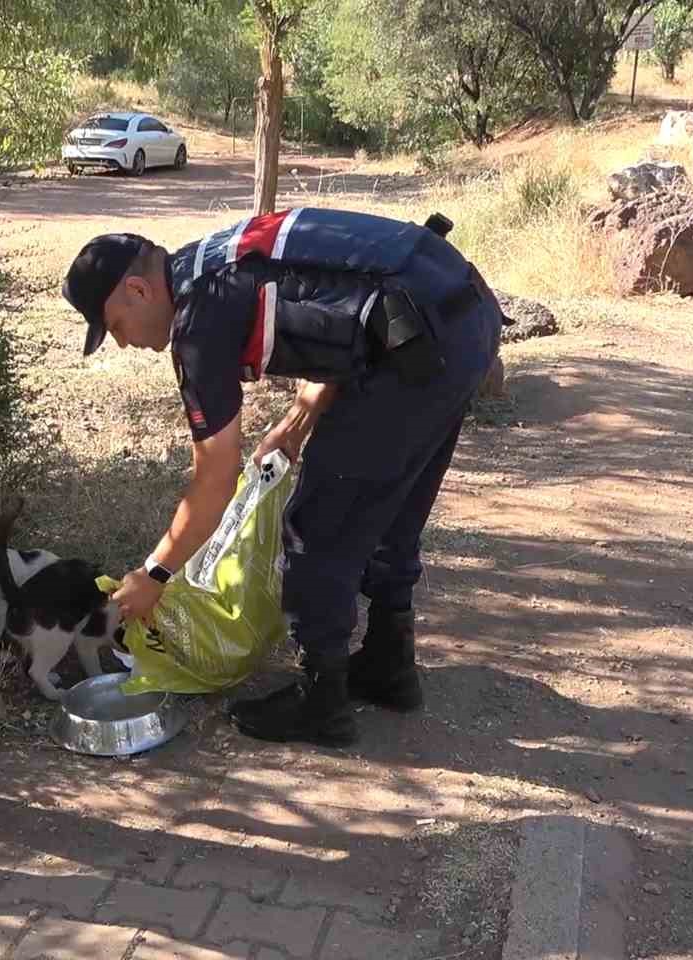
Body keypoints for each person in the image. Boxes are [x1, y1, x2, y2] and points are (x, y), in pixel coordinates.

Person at [60, 208, 501, 747]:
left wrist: (154, 575)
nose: (124, 343)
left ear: (137, 290)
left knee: (316, 523)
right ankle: (389, 663)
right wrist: (297, 422)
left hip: (421, 338)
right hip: (462, 315)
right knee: (390, 499)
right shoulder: (218, 259)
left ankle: (323, 703)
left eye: (116, 326)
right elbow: (342, 303)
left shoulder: (198, 319)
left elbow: (215, 477)